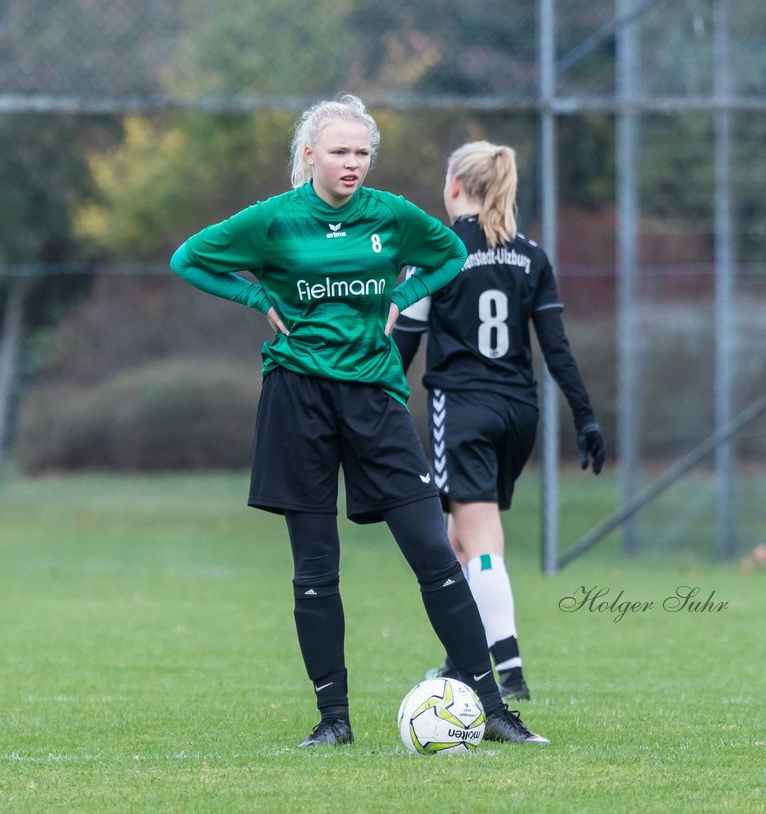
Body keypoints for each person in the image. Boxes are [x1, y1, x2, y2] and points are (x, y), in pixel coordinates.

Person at [171, 95, 548, 747]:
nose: (353, 163)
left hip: (375, 396)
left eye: (362, 152)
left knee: (434, 551)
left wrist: (399, 299)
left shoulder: (391, 215)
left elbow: (448, 256)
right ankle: (333, 721)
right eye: (340, 152)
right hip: (297, 397)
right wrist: (258, 296)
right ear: (310, 155)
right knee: (315, 566)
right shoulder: (274, 220)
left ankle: (495, 712)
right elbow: (190, 258)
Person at [393, 140, 606, 702]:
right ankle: (460, 660)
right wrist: (585, 418)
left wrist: (368, 408)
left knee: (479, 538)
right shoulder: (530, 255)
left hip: (462, 407)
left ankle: (507, 672)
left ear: (455, 187)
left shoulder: (437, 254)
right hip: (518, 413)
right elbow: (556, 348)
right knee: (458, 538)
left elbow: (404, 347)